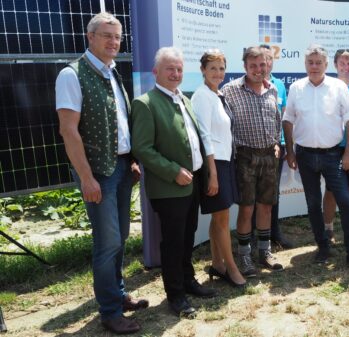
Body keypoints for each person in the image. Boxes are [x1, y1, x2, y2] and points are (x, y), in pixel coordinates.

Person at [55, 12, 147, 334]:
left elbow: (120, 122)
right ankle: (109, 311)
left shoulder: (111, 72)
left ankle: (118, 295)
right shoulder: (72, 74)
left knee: (119, 237)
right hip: (99, 173)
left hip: (122, 167)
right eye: (107, 35)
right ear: (90, 37)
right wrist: (86, 177)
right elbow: (69, 131)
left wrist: (132, 158)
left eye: (117, 36)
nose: (113, 42)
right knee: (107, 243)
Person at [131, 47, 217, 318]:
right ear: (156, 71)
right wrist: (173, 171)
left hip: (191, 184)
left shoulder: (184, 98)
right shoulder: (146, 103)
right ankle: (176, 296)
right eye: (170, 68)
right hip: (169, 187)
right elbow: (142, 148)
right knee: (172, 242)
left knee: (187, 237)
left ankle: (188, 281)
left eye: (179, 69)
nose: (176, 73)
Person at [283, 45, 349, 271]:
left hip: (333, 155)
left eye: (318, 62)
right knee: (313, 204)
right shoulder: (296, 88)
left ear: (325, 64)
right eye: (310, 62)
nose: (314, 66)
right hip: (304, 155)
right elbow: (288, 119)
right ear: (305, 65)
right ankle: (322, 246)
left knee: (346, 202)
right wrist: (290, 152)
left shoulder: (338, 87)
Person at [221, 46, 284, 277]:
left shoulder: (273, 89)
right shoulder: (230, 90)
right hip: (244, 156)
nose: (259, 70)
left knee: (266, 206)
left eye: (262, 65)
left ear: (268, 65)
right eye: (253, 66)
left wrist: (276, 142)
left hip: (269, 155)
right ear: (245, 67)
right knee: (247, 208)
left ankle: (264, 252)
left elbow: (276, 119)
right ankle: (244, 256)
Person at [191, 49, 246, 288]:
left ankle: (217, 263)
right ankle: (232, 269)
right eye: (212, 68)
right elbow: (204, 136)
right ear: (203, 70)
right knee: (223, 218)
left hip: (225, 162)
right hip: (214, 164)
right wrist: (212, 172)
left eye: (221, 68)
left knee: (219, 217)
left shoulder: (218, 94)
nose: (218, 73)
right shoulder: (202, 96)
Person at [250, 44, 293, 249]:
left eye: (269, 59)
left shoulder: (279, 86)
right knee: (251, 195)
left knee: (271, 194)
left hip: (276, 147)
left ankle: (273, 232)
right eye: (262, 60)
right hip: (251, 149)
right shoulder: (246, 85)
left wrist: (283, 144)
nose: (265, 64)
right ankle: (248, 236)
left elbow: (283, 117)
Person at [322, 48, 349, 246]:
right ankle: (328, 229)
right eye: (342, 63)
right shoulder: (328, 87)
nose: (346, 67)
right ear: (335, 65)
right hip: (332, 148)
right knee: (330, 191)